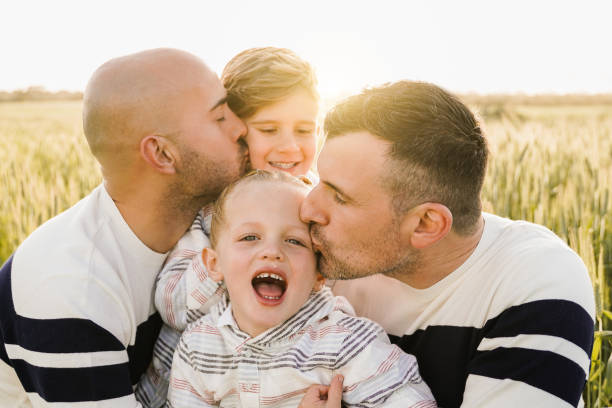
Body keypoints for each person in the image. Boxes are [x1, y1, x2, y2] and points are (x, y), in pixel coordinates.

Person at [299, 81, 596, 408]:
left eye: (339, 197)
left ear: (427, 224)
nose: (307, 209)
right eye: (317, 181)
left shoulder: (535, 280)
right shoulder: (317, 265)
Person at [0, 48, 247, 407]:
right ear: (162, 154)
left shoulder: (203, 228)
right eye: (220, 117)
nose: (242, 127)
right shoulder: (73, 292)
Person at [137, 47, 321, 406]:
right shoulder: (213, 211)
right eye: (269, 129)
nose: (291, 146)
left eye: (305, 129)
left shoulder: (316, 208)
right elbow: (174, 306)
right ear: (236, 131)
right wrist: (228, 260)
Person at [166, 170, 437, 407]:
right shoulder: (198, 346)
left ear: (319, 275)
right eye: (250, 237)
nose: (272, 252)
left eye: (294, 241)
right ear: (214, 264)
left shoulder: (346, 341)